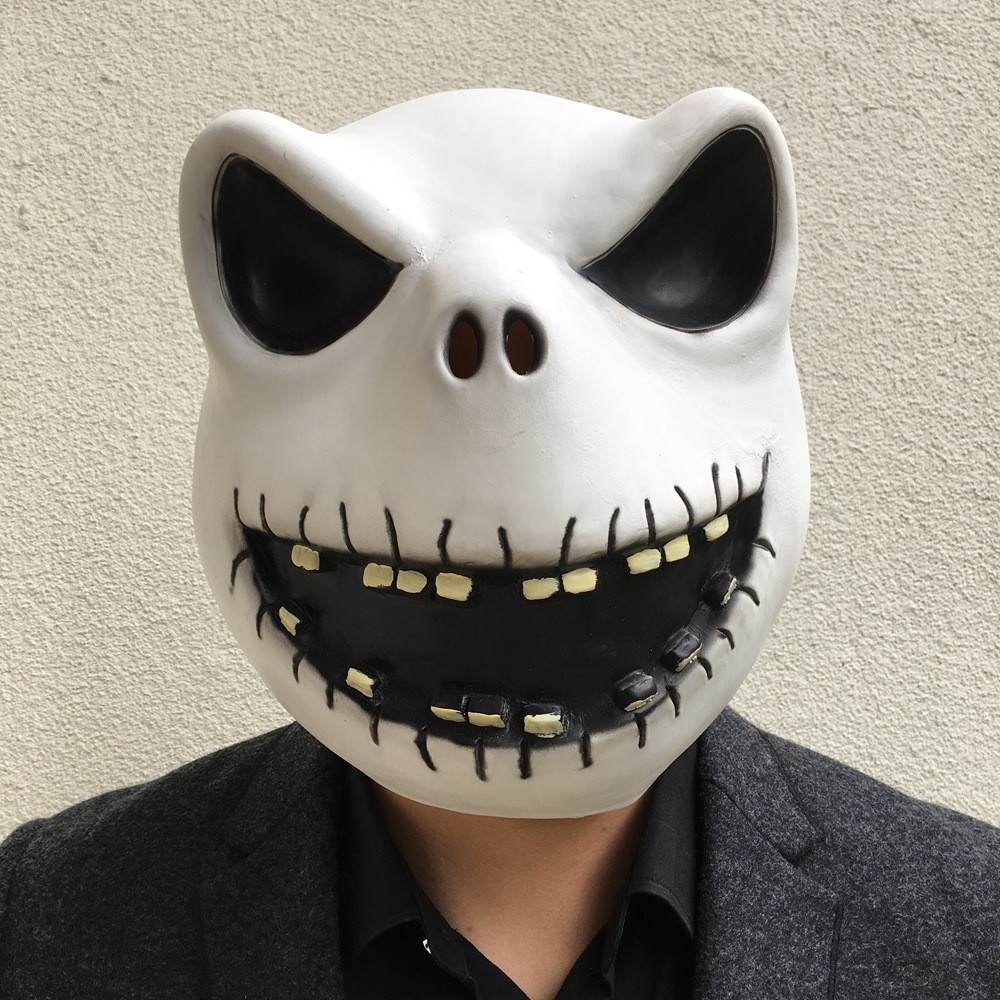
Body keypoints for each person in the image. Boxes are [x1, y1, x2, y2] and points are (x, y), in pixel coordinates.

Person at [1, 87, 997, 1000]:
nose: (491, 331)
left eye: (680, 253)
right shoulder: (43, 924)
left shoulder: (971, 928)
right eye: (307, 280)